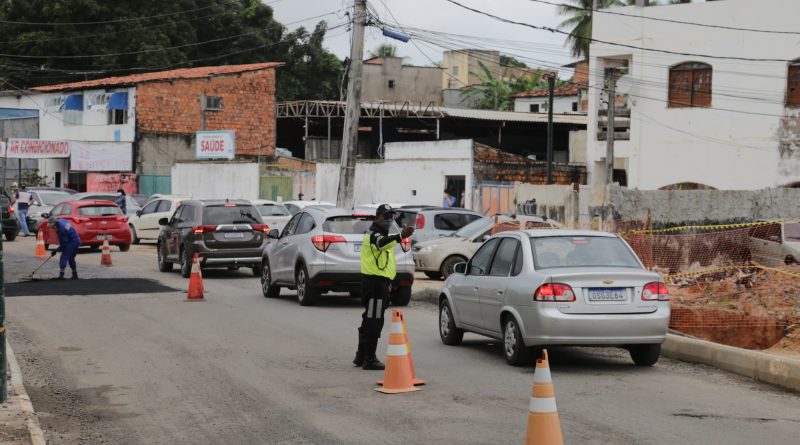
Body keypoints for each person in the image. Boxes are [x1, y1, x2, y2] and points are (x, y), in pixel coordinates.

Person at [353, 204, 414, 370]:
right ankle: (369, 359)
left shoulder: (380, 233)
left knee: (369, 318)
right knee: (374, 320)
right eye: (386, 216)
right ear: (378, 216)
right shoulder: (374, 234)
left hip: (379, 282)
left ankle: (361, 356)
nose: (389, 220)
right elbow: (381, 244)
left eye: (391, 217)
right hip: (374, 283)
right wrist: (400, 236)